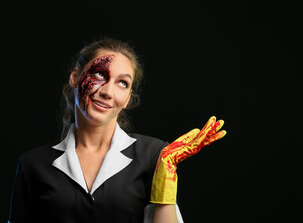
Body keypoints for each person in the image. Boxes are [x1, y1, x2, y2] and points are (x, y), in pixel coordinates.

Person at [8, 38, 226, 223]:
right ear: (75, 77)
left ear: (128, 98)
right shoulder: (33, 164)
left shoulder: (154, 155)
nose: (108, 92)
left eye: (122, 83)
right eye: (100, 74)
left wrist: (165, 181)